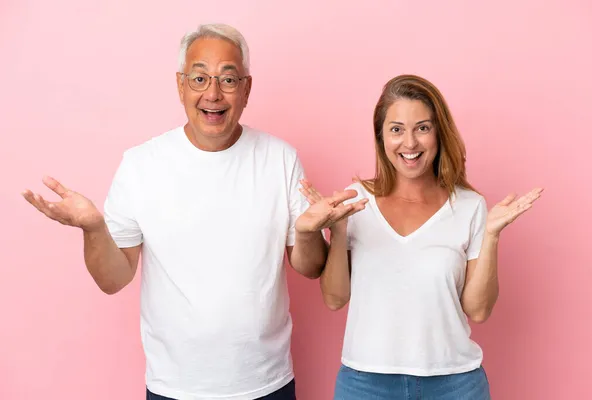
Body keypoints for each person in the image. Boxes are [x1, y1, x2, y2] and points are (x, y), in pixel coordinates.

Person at [21, 23, 365, 400]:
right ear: (180, 85)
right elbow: (113, 278)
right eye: (199, 78)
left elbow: (309, 266)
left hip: (267, 384)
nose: (213, 94)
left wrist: (306, 232)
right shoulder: (140, 165)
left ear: (247, 88)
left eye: (228, 80)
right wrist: (93, 228)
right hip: (175, 388)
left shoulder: (279, 158)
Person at [299, 74, 543, 399]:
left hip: (455, 385)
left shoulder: (470, 206)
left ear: (439, 134)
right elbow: (334, 299)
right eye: (397, 129)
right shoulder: (355, 201)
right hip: (366, 384)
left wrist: (492, 235)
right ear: (381, 137)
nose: (410, 143)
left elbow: (479, 310)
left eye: (423, 128)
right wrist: (338, 228)